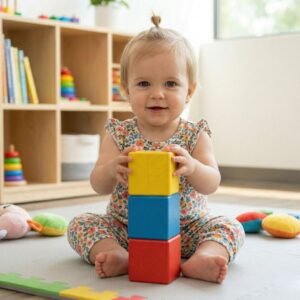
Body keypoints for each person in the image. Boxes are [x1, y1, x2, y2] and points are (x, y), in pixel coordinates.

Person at [67, 16, 245, 284]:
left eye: (171, 84)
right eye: (144, 84)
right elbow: (97, 184)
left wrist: (193, 167)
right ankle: (116, 254)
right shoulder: (119, 134)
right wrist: (112, 168)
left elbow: (212, 183)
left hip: (188, 229)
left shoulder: (195, 134)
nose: (157, 94)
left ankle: (205, 256)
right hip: (127, 229)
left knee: (231, 227)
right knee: (80, 223)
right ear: (126, 90)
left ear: (189, 91)